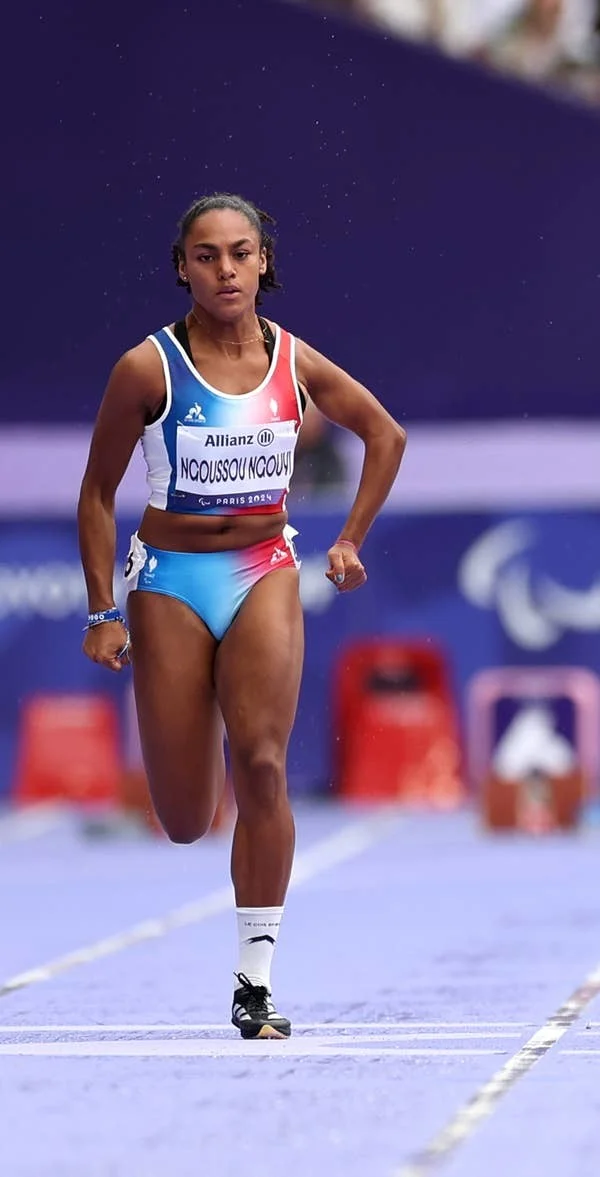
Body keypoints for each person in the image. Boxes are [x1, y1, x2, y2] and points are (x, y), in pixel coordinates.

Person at [77, 192, 406, 1039]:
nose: (226, 269)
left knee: (262, 763)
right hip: (170, 580)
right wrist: (103, 608)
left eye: (241, 253)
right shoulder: (147, 368)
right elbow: (96, 492)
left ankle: (254, 983)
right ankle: (196, 759)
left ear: (264, 262)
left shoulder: (294, 361)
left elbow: (386, 435)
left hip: (264, 568)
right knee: (187, 818)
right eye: (207, 255)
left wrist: (349, 538)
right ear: (182, 268)